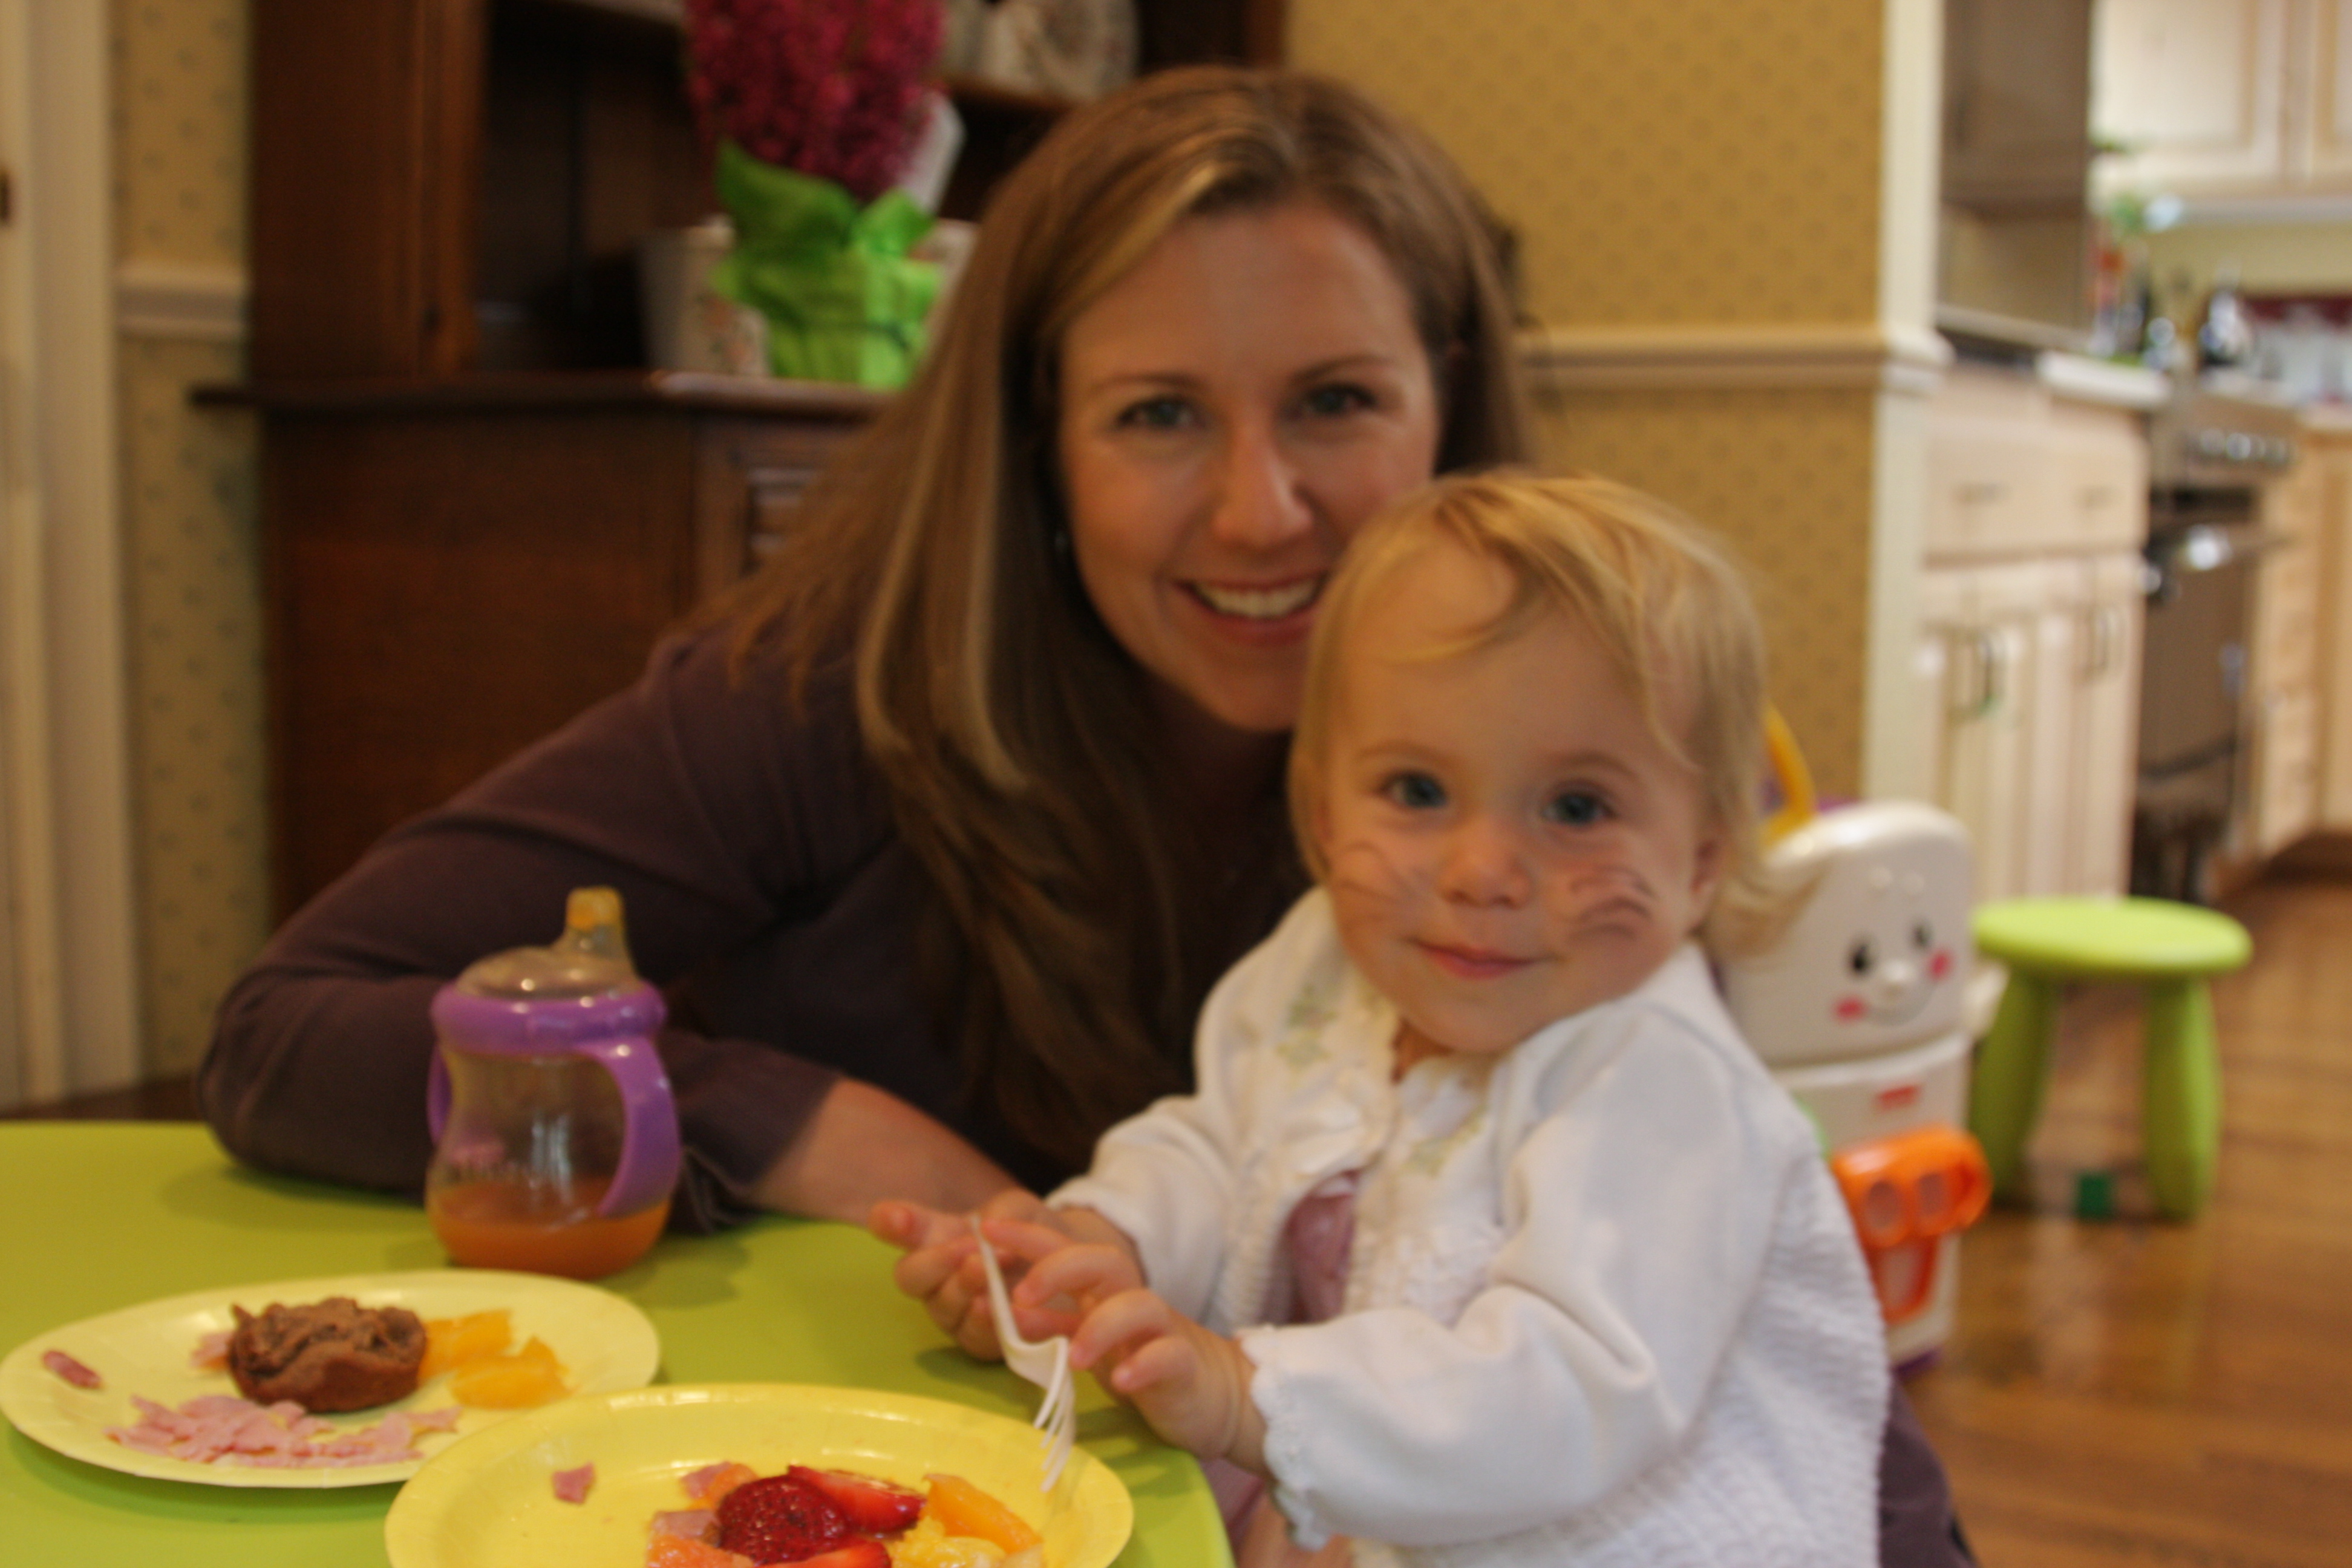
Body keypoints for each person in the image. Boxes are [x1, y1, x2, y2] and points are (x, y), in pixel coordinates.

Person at [197, 65, 1971, 1565]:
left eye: (1337, 401)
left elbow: (1743, 1355)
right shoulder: (818, 704)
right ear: (1038, 445)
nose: (1262, 510)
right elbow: (284, 1031)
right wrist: (793, 1122)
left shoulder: (1579, 818)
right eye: (1158, 415)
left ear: (1448, 408)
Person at [881, 472, 1889, 1566]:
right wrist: (1098, 1245)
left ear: (1700, 861)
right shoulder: (1329, 961)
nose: (1482, 871)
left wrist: (1249, 1391)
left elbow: (1564, 1392)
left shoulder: (1664, 1086)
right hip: (1355, 1500)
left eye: (1577, 808)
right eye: (1416, 791)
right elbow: (1223, 1145)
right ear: (1323, 810)